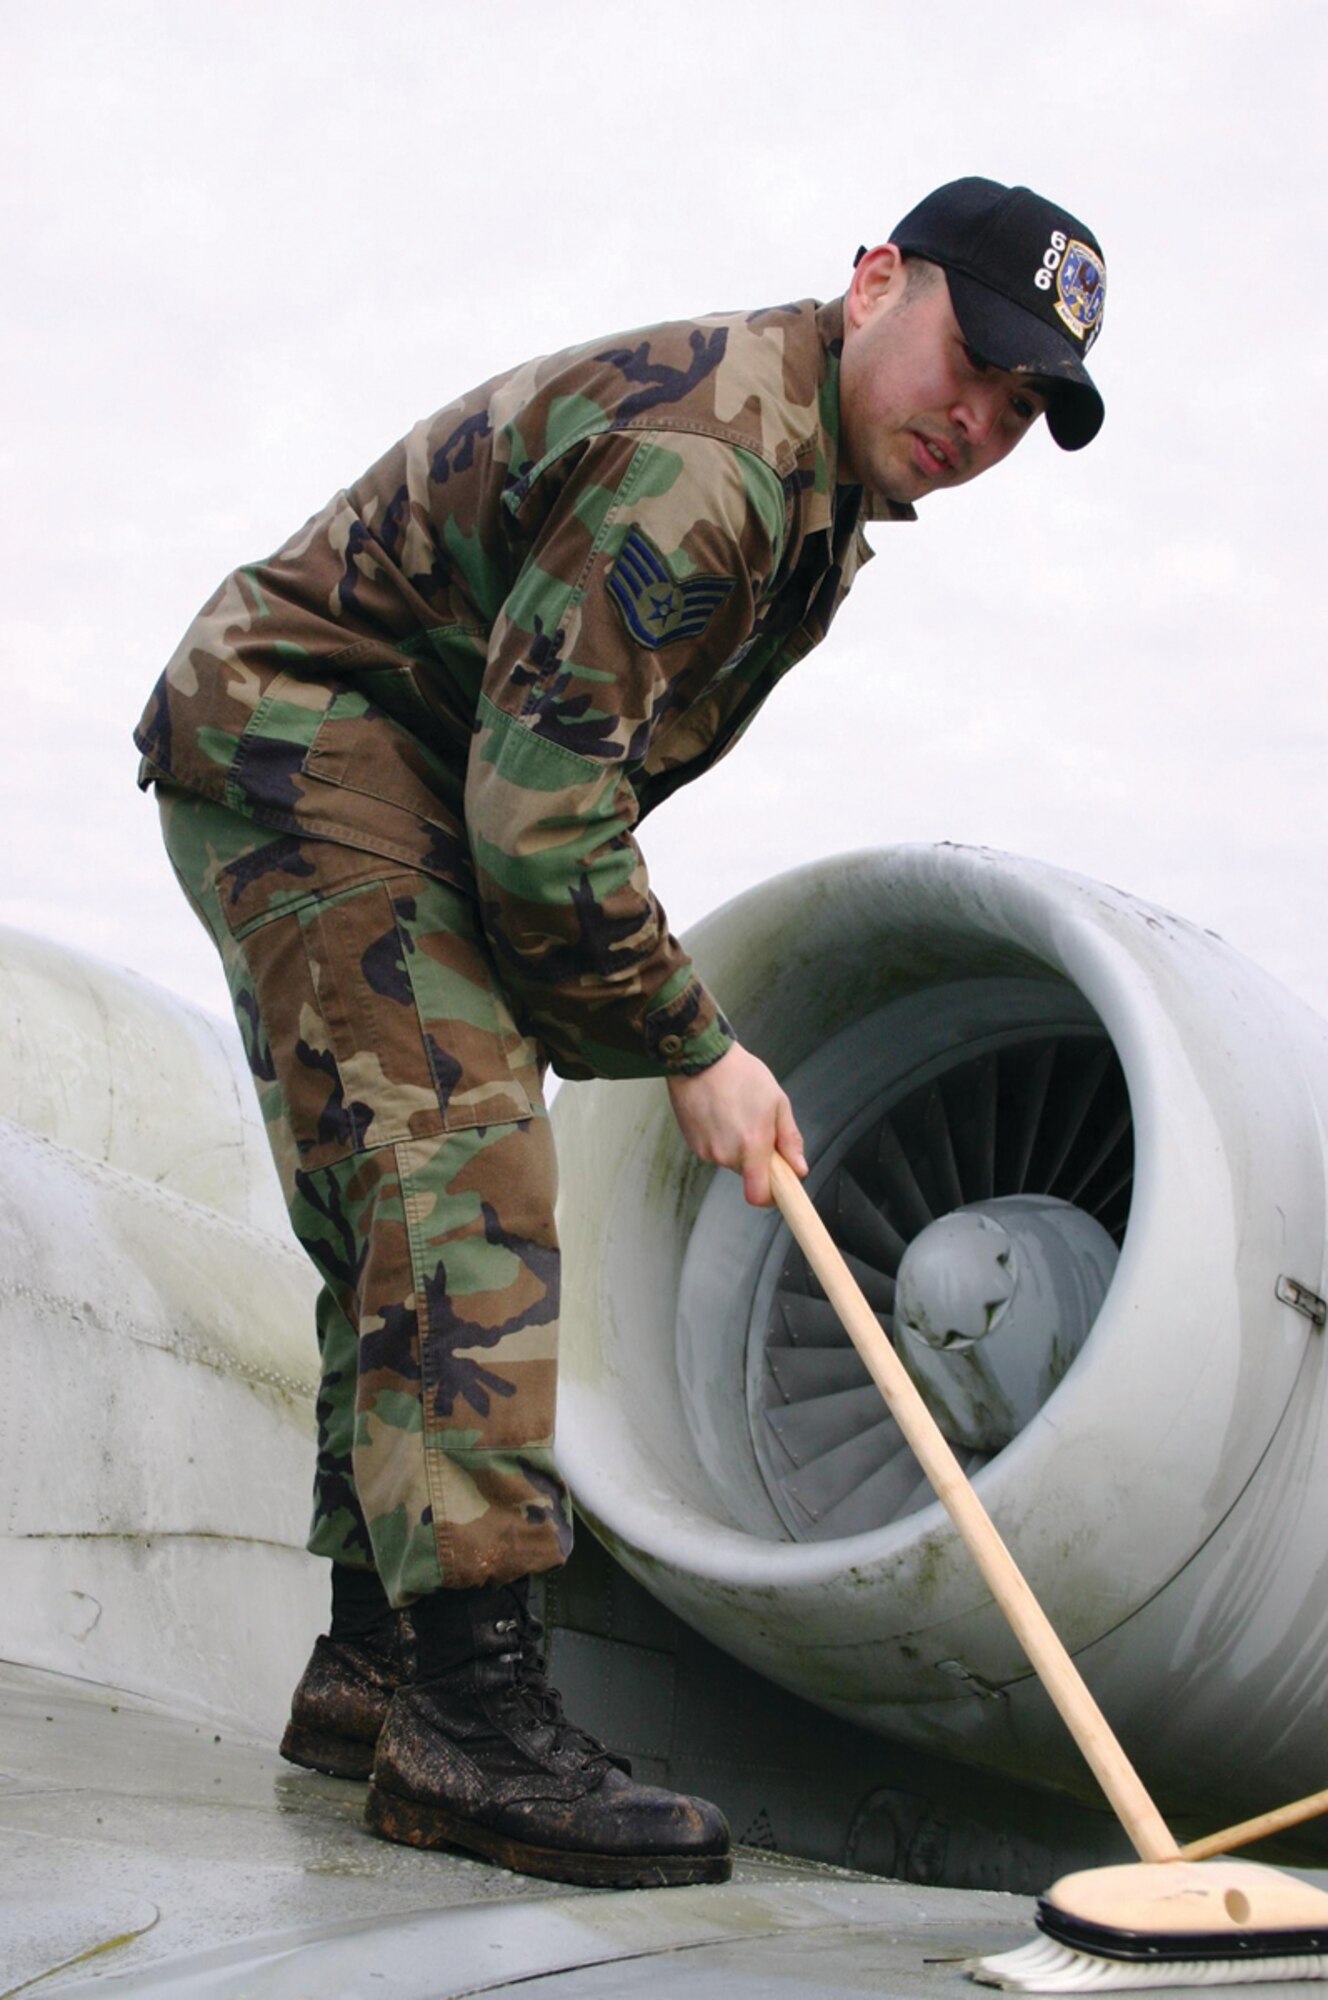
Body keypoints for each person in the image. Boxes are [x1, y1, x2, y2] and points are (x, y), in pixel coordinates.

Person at [134, 176, 1107, 1888]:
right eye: (975, 358)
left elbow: (546, 793)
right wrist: (693, 1045)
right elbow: (539, 824)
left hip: (401, 764)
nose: (981, 420)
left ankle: (376, 1666)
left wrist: (657, 1025)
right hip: (312, 732)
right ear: (875, 280)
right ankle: (473, 1718)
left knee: (402, 1185)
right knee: (457, 1151)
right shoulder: (716, 468)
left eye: (1024, 407)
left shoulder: (813, 499)